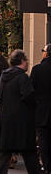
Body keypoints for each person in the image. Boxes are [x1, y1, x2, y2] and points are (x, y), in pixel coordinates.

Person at [0, 49, 41, 174]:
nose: (28, 63)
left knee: (4, 154)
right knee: (29, 154)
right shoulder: (22, 77)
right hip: (21, 122)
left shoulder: (3, 77)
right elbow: (29, 97)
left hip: (4, 120)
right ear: (22, 61)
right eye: (26, 61)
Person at [31, 44, 51, 173]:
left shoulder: (37, 69)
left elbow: (30, 91)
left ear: (46, 53)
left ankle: (47, 166)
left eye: (43, 50)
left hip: (42, 111)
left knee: (43, 140)